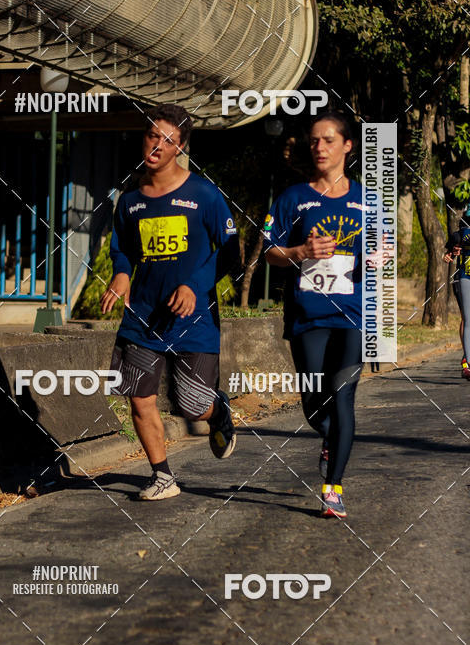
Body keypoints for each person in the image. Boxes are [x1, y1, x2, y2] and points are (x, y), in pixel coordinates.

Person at [101, 103, 240, 500]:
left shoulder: (204, 194)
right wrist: (122, 274)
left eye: (167, 140)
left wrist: (196, 285)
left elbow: (231, 254)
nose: (156, 145)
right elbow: (124, 249)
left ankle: (219, 412)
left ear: (180, 147)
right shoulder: (129, 200)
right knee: (139, 398)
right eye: (151, 135)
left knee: (193, 405)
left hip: (194, 320)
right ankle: (162, 476)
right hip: (143, 316)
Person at [263, 111, 363, 518]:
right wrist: (302, 252)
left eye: (327, 140)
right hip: (308, 316)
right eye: (314, 141)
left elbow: (385, 253)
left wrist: (377, 260)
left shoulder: (367, 200)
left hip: (354, 315)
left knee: (343, 400)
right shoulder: (293, 198)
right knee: (313, 402)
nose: (319, 147)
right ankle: (329, 437)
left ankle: (333, 487)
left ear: (346, 146)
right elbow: (271, 253)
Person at [443, 205, 470, 379]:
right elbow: (455, 239)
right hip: (465, 275)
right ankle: (468, 362)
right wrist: (451, 252)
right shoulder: (464, 227)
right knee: (467, 318)